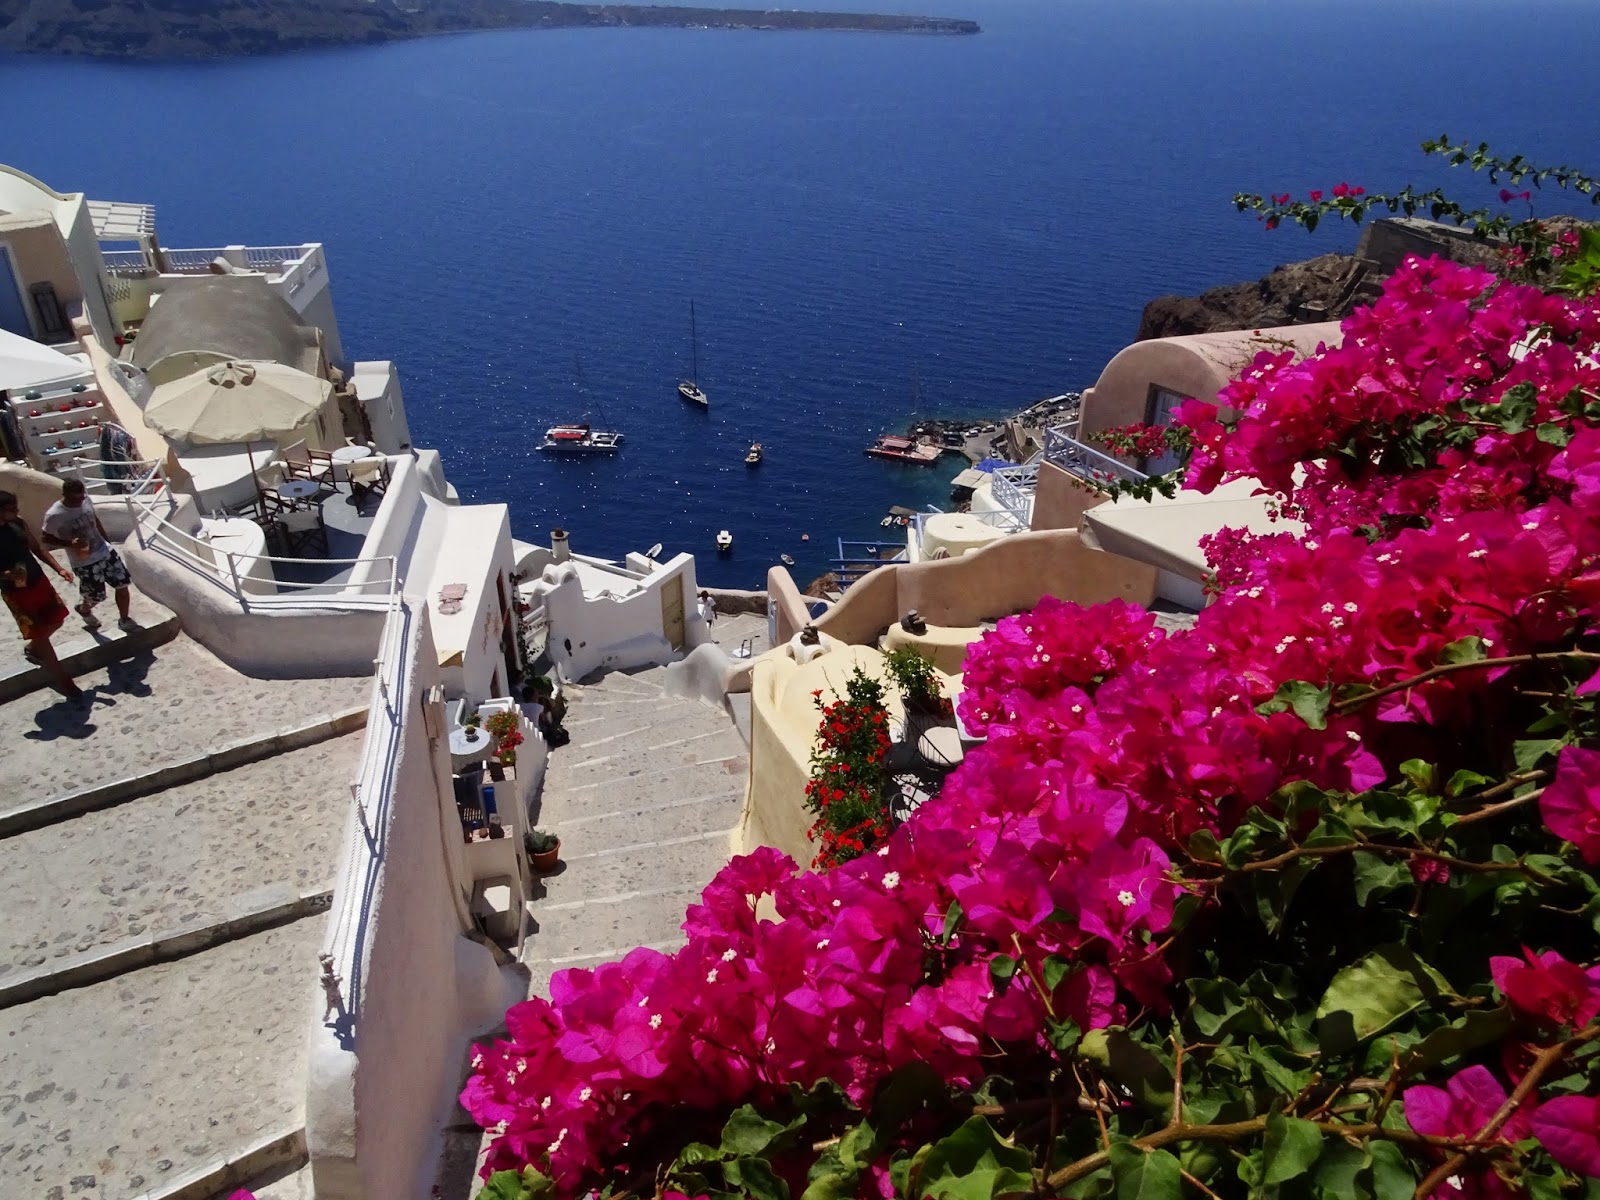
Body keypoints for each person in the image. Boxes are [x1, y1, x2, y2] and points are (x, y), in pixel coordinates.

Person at [0, 490, 84, 699]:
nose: (16, 511)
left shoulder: (18, 523)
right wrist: (7, 575)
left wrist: (59, 569)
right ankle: (64, 681)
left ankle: (33, 648)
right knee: (40, 633)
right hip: (16, 592)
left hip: (38, 581)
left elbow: (37, 549)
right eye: (11, 509)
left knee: (57, 620)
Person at [41, 478, 135, 632]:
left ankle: (124, 619)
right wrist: (69, 543)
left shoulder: (86, 501)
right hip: (84, 561)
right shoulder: (54, 515)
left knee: (122, 584)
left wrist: (108, 543)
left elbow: (95, 521)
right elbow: (45, 538)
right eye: (74, 499)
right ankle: (84, 609)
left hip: (104, 551)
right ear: (64, 494)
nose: (79, 502)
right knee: (96, 596)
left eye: (81, 497)